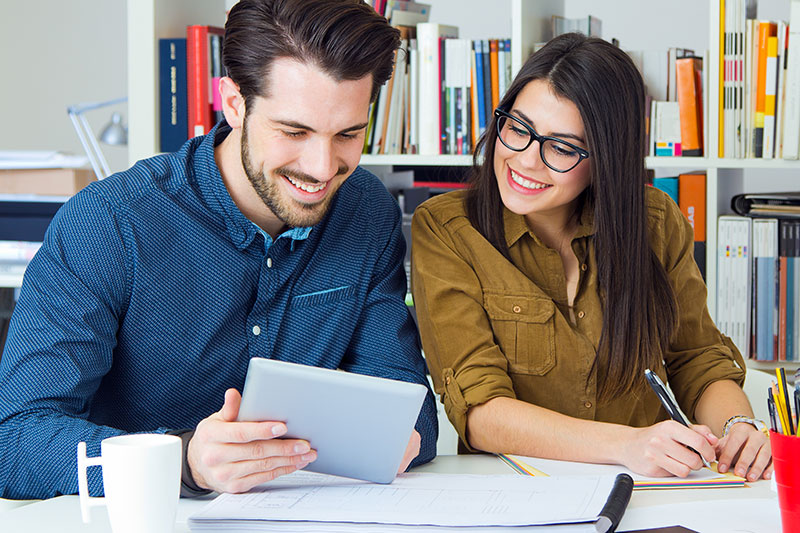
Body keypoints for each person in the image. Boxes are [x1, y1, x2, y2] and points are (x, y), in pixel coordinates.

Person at [0, 0, 437, 500]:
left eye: (348, 134)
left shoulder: (367, 213)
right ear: (233, 104)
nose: (322, 168)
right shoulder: (109, 224)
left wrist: (399, 437)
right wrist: (183, 462)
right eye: (294, 132)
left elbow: (410, 408)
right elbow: (13, 440)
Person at [411, 33, 771, 482]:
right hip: (513, 493)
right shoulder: (446, 229)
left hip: (648, 488)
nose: (525, 161)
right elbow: (480, 412)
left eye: (561, 147)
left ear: (606, 158)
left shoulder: (656, 221)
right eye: (518, 128)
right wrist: (625, 445)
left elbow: (696, 358)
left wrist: (740, 428)